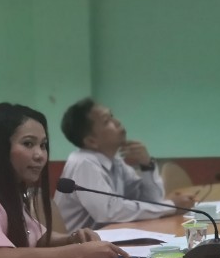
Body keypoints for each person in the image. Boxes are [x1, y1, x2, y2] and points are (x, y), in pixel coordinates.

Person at [0, 103, 127, 258]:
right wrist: (79, 252)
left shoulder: (9, 193)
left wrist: (72, 238)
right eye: (28, 144)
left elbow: (36, 237)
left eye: (43, 145)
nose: (40, 155)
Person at [55, 98, 194, 230]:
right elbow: (109, 212)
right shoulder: (83, 163)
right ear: (91, 141)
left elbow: (151, 200)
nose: (117, 122)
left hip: (105, 238)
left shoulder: (115, 161)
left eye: (112, 116)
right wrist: (171, 206)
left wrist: (146, 165)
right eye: (107, 121)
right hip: (73, 244)